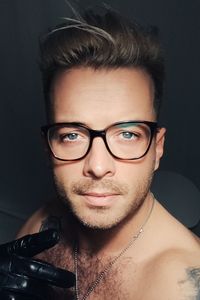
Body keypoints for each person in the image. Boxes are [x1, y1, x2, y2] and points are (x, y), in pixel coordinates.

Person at [1, 6, 200, 300]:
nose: (97, 166)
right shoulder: (45, 225)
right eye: (72, 135)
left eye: (127, 134)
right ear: (48, 147)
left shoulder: (182, 282)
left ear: (157, 148)